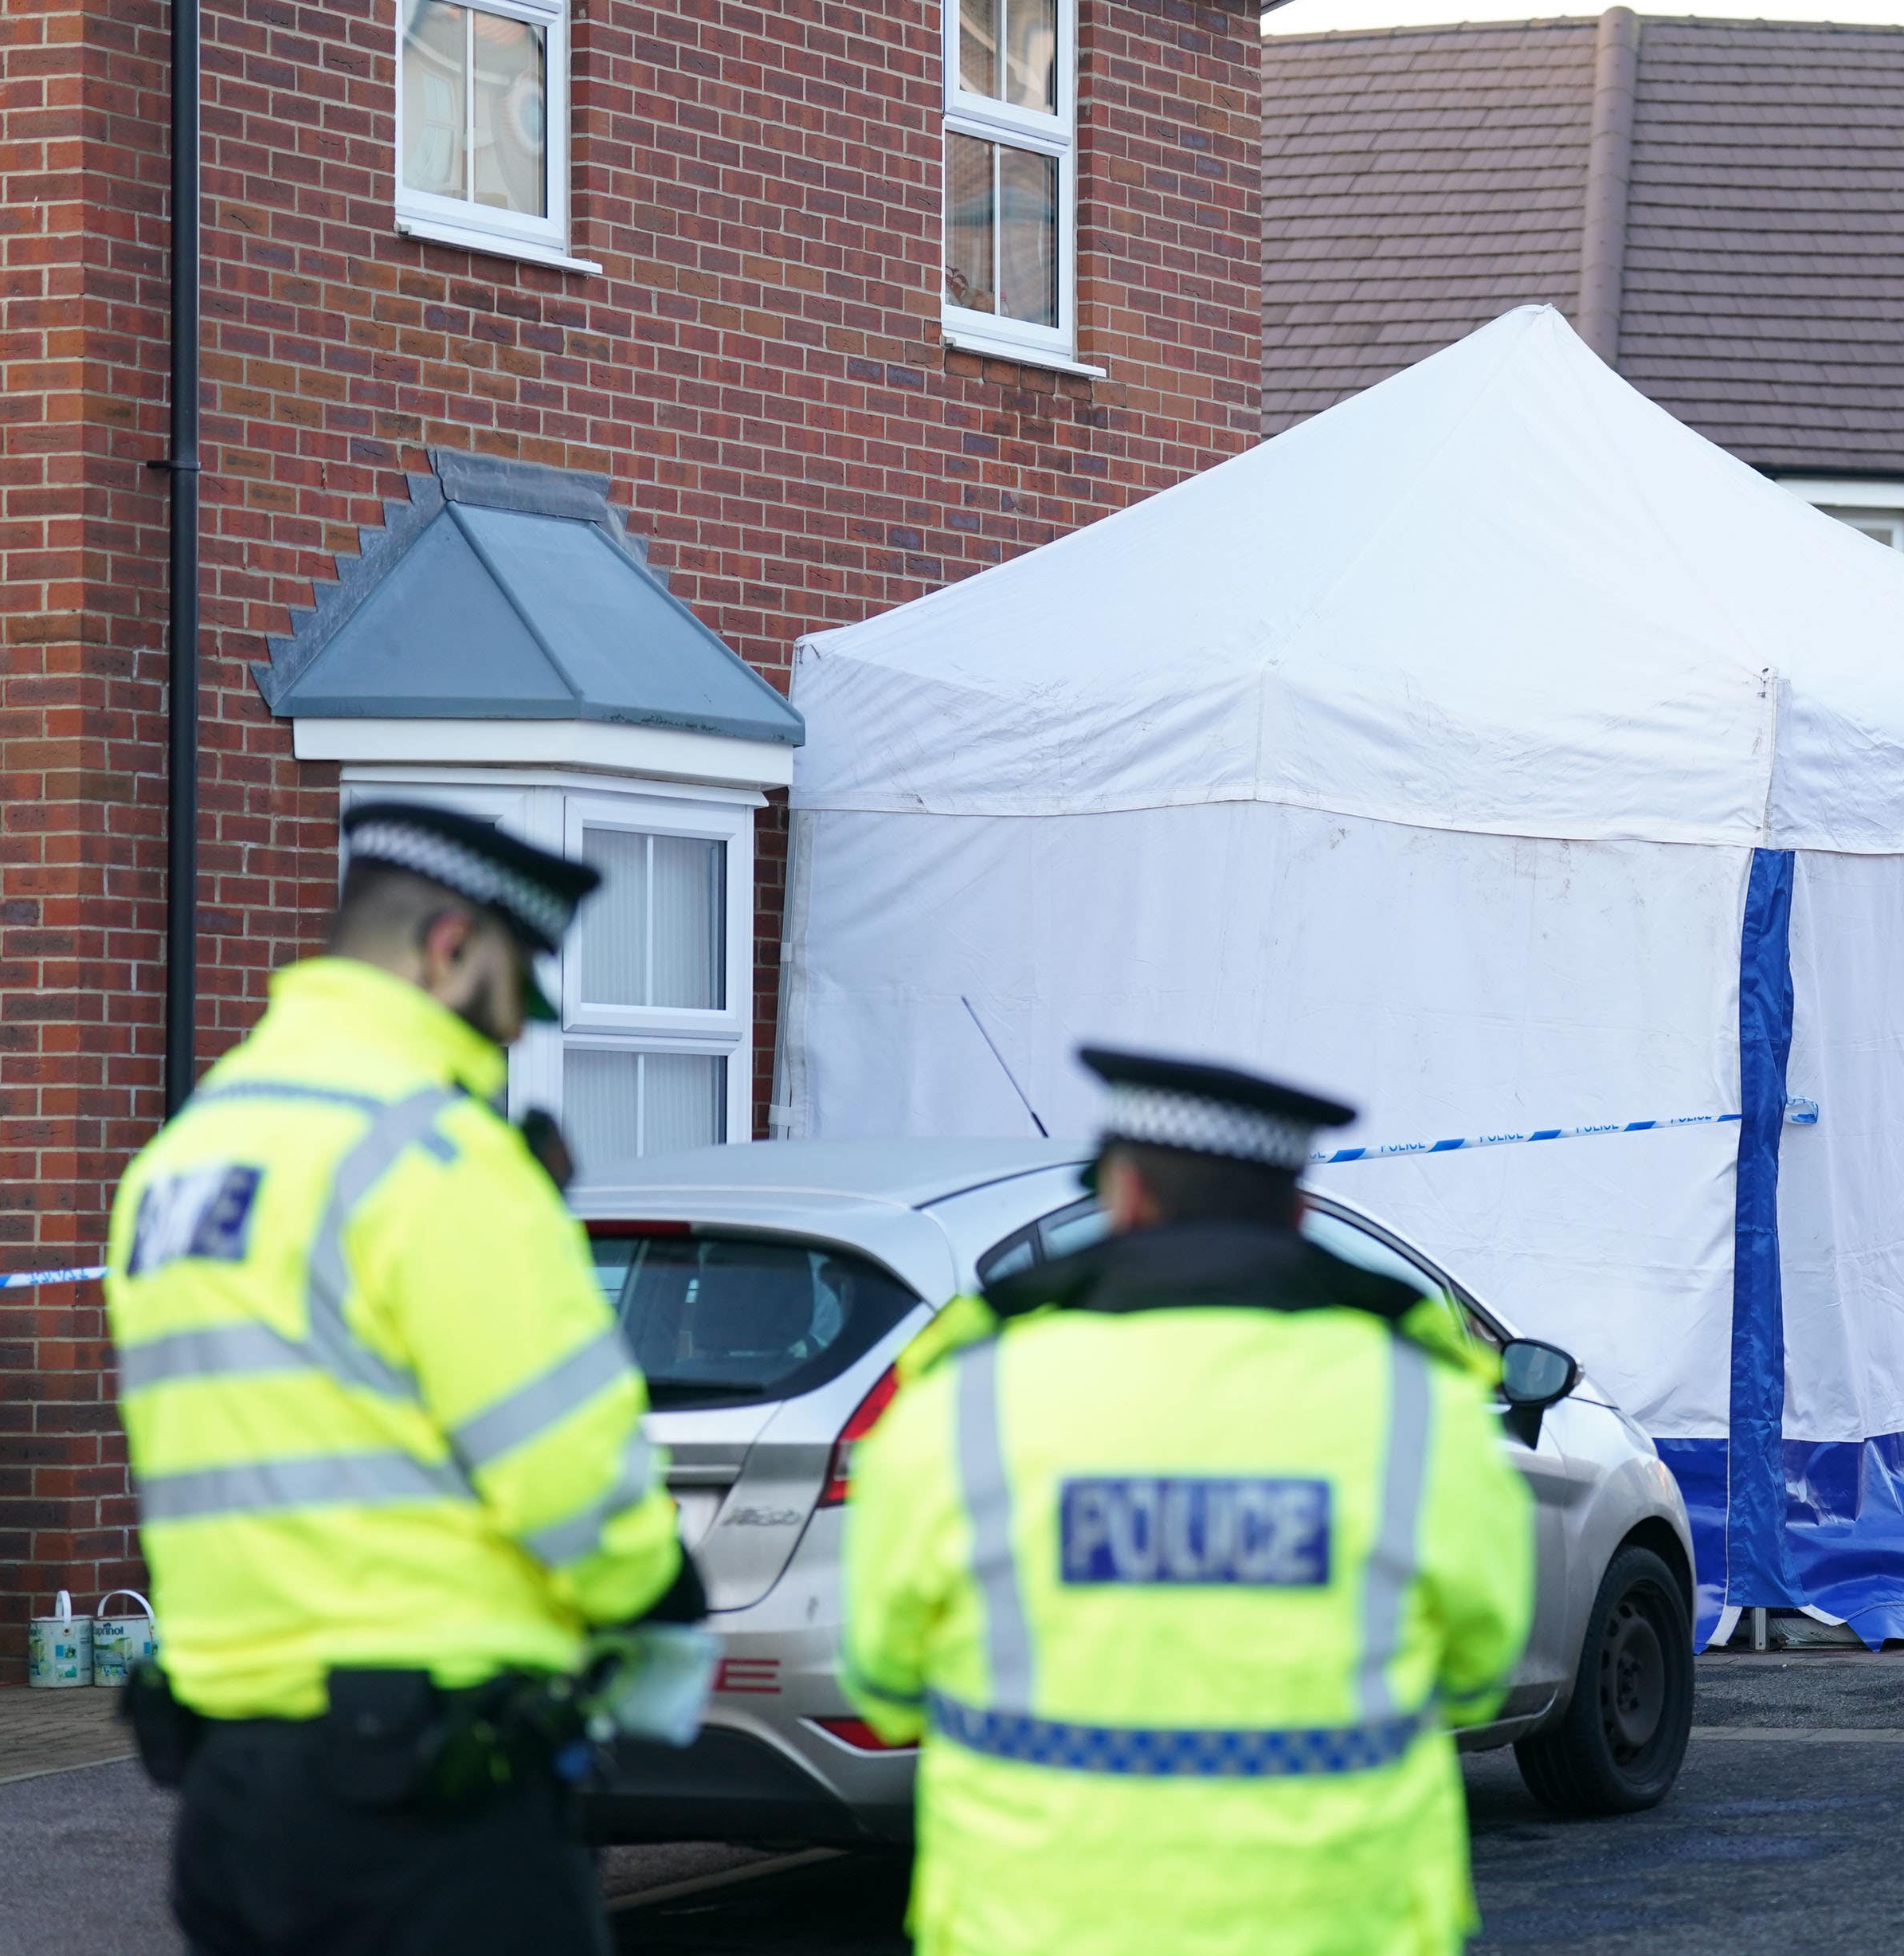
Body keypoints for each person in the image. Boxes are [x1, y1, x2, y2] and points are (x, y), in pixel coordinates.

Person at [104, 802, 701, 1956]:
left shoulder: (186, 1153)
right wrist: (659, 1593)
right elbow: (569, 1472)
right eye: (515, 982)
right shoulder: (433, 1152)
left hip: (228, 1785)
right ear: (450, 945)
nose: (517, 1025)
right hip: (429, 1799)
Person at [841, 1048, 1536, 1956]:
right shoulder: (1418, 1403)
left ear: (1123, 1199)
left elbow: (885, 1681)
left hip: (1032, 1925)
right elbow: (1480, 1670)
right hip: (1332, 1924)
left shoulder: (963, 1399)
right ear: (1293, 1212)